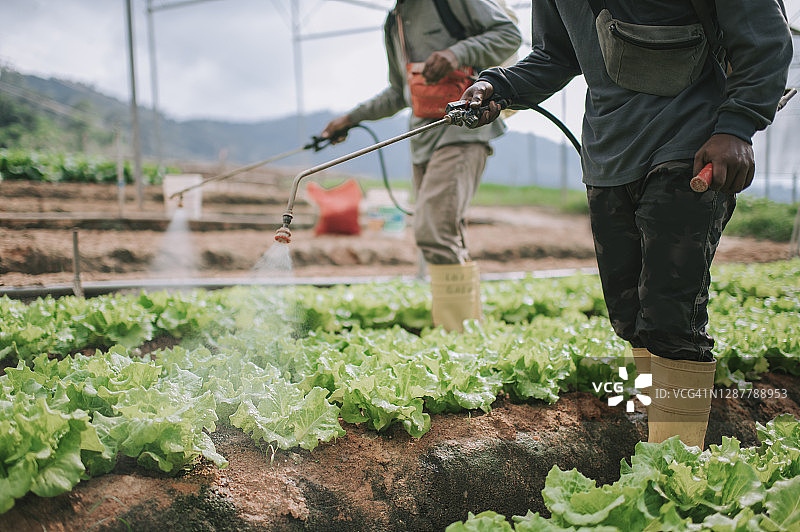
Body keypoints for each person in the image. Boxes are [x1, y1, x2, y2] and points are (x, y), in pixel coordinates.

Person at [462, 0, 792, 448]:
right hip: (608, 154)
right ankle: (662, 433)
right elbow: (555, 55)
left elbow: (765, 38)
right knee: (629, 313)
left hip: (690, 146)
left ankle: (682, 469)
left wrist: (738, 126)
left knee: (670, 314)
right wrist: (495, 85)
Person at [321, 0, 522, 332]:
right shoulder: (394, 21)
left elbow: (509, 34)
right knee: (444, 232)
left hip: (464, 131)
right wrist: (350, 118)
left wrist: (457, 53)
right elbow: (399, 93)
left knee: (434, 230)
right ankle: (465, 332)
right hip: (423, 137)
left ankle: (456, 334)